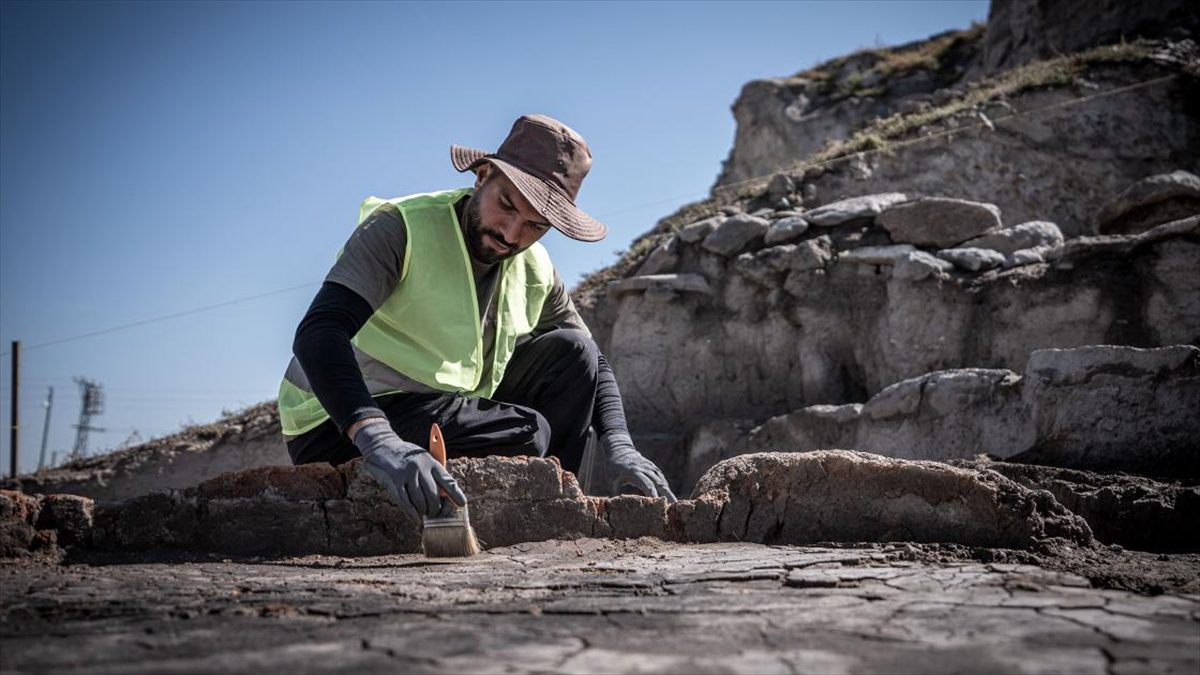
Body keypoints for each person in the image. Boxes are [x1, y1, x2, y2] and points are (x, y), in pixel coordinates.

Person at [277, 114, 676, 522]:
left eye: (536, 225)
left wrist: (620, 444)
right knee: (527, 432)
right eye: (506, 205)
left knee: (574, 353)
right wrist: (379, 440)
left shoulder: (534, 266)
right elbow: (318, 333)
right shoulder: (401, 227)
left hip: (441, 411)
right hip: (338, 423)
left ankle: (553, 517)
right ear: (482, 175)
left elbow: (592, 360)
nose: (512, 234)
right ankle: (520, 511)